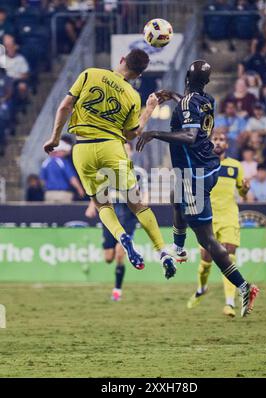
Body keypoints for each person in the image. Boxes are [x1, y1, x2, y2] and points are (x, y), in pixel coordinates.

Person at [137, 59, 259, 317]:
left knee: (207, 240)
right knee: (174, 195)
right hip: (208, 167)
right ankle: (179, 248)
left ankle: (244, 286)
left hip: (196, 175)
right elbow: (191, 109)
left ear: (186, 76)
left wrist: (154, 134)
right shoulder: (206, 100)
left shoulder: (188, 102)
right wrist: (174, 97)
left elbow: (190, 137)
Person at [43, 49, 176, 279]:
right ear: (137, 75)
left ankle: (121, 237)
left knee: (102, 204)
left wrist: (55, 138)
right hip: (111, 147)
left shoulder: (89, 74)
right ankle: (162, 251)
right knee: (137, 204)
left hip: (82, 148)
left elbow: (64, 106)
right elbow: (131, 134)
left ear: (122, 59)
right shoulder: (133, 96)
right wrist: (150, 109)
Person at [186, 130, 250, 317]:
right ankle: (202, 288)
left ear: (227, 145)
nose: (219, 142)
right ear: (209, 142)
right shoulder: (201, 163)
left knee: (228, 258)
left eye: (222, 140)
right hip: (207, 219)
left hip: (229, 217)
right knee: (206, 260)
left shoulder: (236, 166)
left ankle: (229, 303)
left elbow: (243, 192)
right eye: (215, 139)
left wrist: (245, 189)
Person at [85, 142, 147, 302]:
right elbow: (99, 191)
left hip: (128, 213)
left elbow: (144, 195)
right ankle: (112, 246)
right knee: (108, 257)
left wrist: (142, 211)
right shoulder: (107, 171)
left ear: (131, 153)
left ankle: (117, 290)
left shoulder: (139, 172)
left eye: (126, 150)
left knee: (120, 254)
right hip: (111, 211)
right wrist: (92, 205)